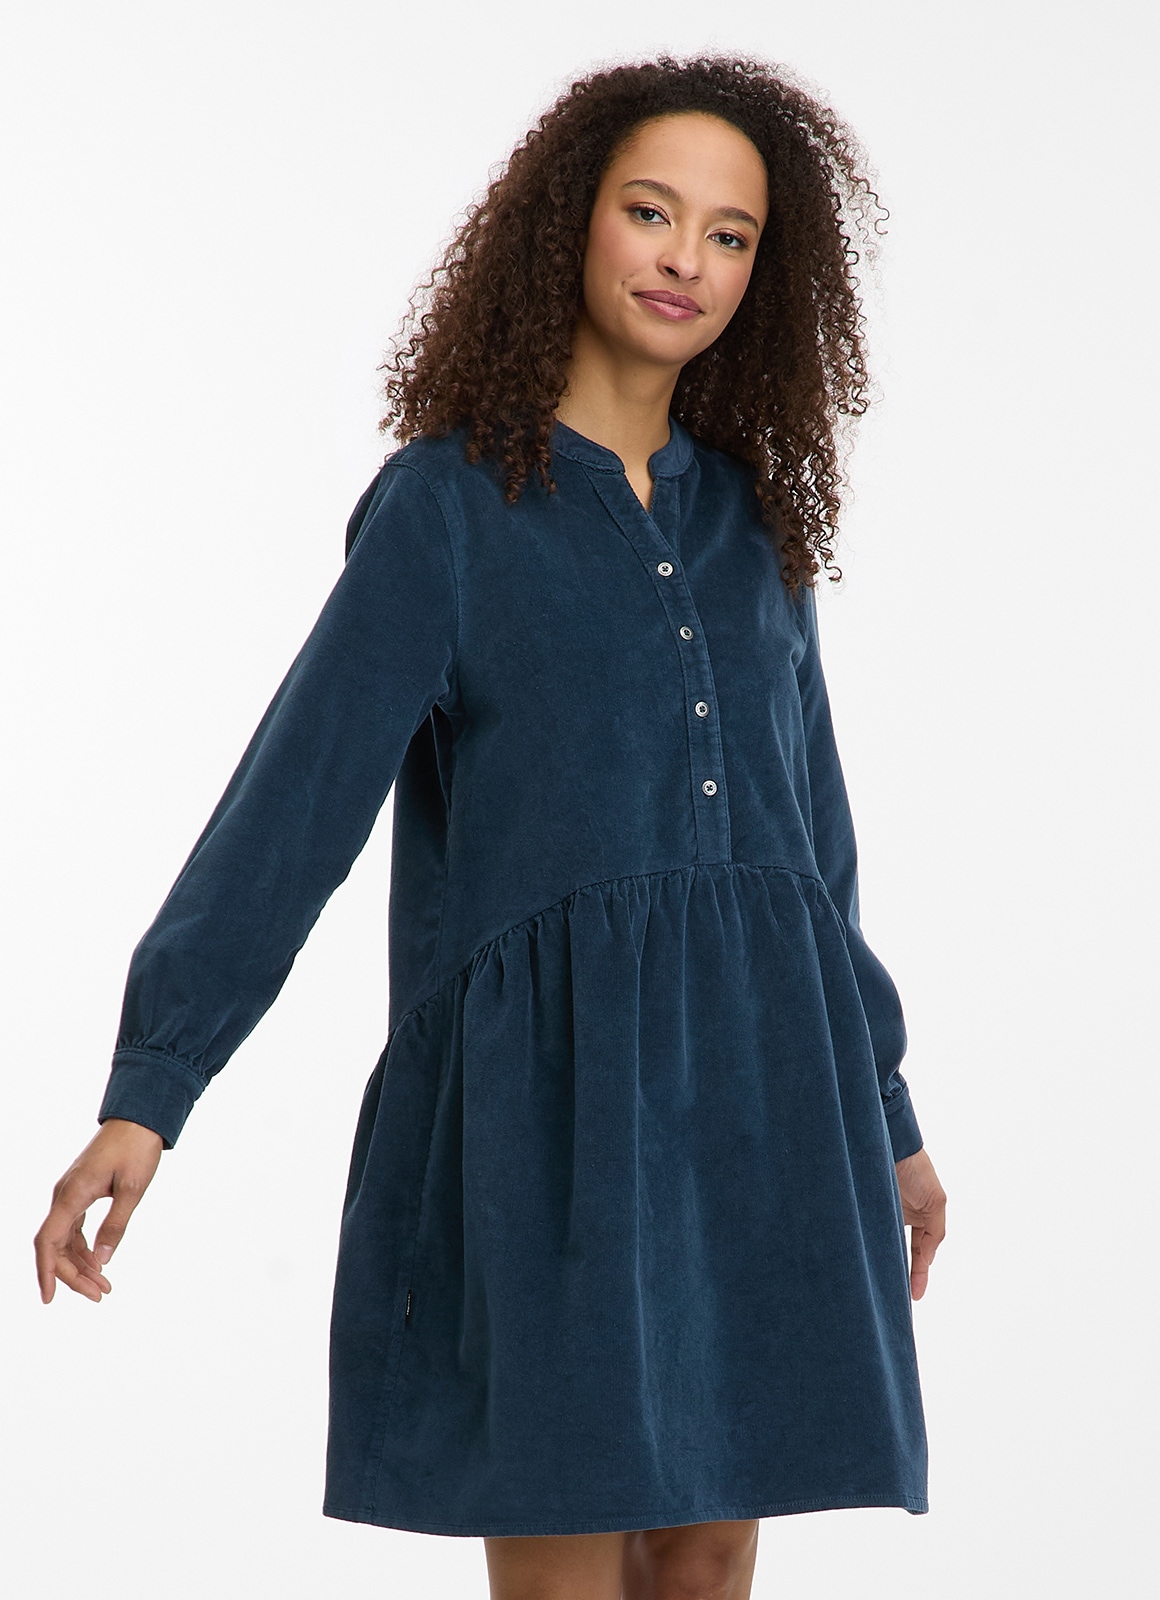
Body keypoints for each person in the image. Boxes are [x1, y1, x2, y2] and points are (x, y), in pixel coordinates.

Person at [34, 53, 947, 1600]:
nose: (686, 257)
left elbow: (816, 853)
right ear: (570, 221)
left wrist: (891, 1113)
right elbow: (294, 805)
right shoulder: (447, 508)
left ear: (764, 276)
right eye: (651, 212)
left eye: (730, 234)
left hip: (764, 1092)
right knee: (567, 1547)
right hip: (555, 1112)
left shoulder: (754, 524)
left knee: (710, 1557)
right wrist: (152, 1089)